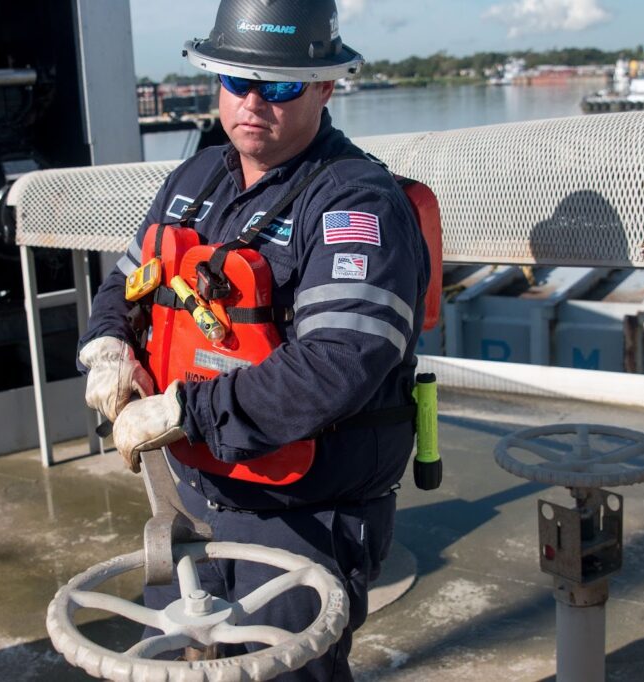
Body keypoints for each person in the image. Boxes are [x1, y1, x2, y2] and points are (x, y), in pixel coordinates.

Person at [76, 0, 430, 678]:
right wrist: (108, 344)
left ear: (326, 85)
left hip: (300, 516)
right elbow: (126, 281)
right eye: (238, 82)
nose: (253, 102)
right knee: (184, 661)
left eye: (282, 86)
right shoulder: (193, 181)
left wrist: (186, 411)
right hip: (189, 493)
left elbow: (340, 360)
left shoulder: (356, 203)